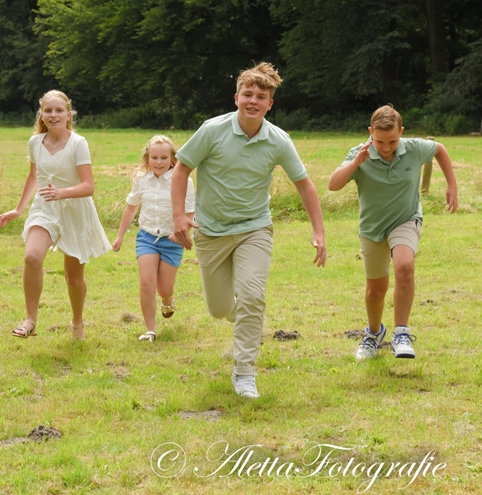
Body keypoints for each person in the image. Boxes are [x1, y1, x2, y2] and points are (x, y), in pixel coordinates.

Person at [171, 62, 326, 399]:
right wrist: (179, 216)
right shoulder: (212, 130)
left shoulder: (278, 140)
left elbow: (304, 184)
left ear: (270, 104)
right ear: (236, 98)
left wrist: (319, 231)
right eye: (248, 94)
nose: (253, 101)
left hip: (254, 228)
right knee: (219, 309)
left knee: (253, 297)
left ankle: (244, 372)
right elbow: (181, 169)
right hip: (211, 231)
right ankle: (246, 318)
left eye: (261, 96)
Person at [328, 105, 458, 361]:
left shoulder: (413, 148)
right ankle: (374, 333)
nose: (386, 148)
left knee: (404, 265)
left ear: (401, 132)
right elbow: (333, 185)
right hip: (373, 228)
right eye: (379, 142)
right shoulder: (360, 153)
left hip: (405, 219)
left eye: (392, 141)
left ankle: (401, 334)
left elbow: (440, 149)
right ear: (370, 132)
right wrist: (356, 163)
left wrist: (451, 184)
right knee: (376, 290)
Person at [0, 90, 111, 340]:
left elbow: (89, 186)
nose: (53, 115)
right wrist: (18, 209)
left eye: (59, 110)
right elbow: (33, 176)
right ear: (41, 114)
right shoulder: (35, 142)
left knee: (74, 279)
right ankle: (30, 320)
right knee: (32, 257)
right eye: (48, 110)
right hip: (45, 208)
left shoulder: (78, 143)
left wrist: (62, 193)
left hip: (75, 210)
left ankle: (77, 322)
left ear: (69, 115)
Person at [112, 135, 195, 342]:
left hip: (172, 240)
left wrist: (180, 232)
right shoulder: (142, 179)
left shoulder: (184, 180)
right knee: (146, 283)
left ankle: (167, 299)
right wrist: (120, 236)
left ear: (172, 159)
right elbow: (131, 208)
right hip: (147, 237)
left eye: (164, 158)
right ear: (147, 158)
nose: (159, 162)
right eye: (154, 158)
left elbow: (190, 212)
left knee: (164, 288)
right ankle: (150, 330)